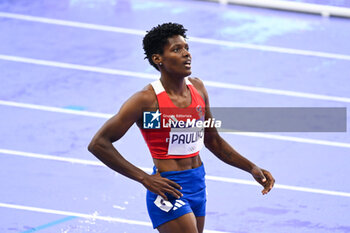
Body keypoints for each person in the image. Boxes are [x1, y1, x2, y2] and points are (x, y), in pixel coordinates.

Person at [88, 22, 275, 233]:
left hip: (198, 183)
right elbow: (98, 143)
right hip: (169, 187)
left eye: (186, 48)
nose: (187, 54)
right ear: (157, 59)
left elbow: (212, 141)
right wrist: (144, 178)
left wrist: (250, 167)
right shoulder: (146, 101)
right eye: (177, 49)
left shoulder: (198, 89)